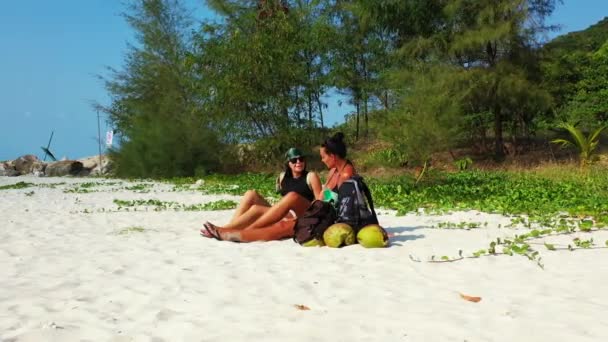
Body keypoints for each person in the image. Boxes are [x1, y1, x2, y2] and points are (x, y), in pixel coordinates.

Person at [201, 147, 322, 241]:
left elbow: (319, 203)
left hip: (303, 212)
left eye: (301, 159)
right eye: (294, 160)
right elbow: (282, 200)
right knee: (251, 194)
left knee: (263, 207)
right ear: (288, 163)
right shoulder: (282, 177)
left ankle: (235, 231)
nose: (298, 162)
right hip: (285, 212)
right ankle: (229, 227)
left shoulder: (311, 176)